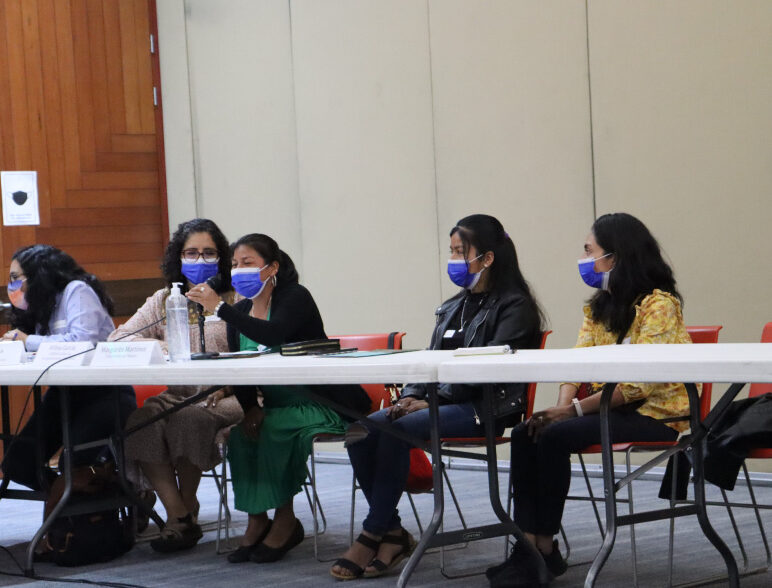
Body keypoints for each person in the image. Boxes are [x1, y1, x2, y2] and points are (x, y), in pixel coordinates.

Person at [330, 214, 544, 580]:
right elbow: (428, 361)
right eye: (451, 251)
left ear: (487, 258)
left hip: (485, 408)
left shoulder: (515, 306)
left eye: (461, 252)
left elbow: (485, 369)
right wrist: (409, 396)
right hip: (441, 403)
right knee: (362, 430)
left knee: (398, 431)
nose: (453, 260)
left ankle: (372, 534)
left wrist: (432, 401)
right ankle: (393, 532)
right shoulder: (451, 307)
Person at [487, 212, 692, 587]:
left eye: (590, 251)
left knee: (553, 436)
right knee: (527, 432)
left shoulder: (658, 305)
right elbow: (576, 364)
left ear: (617, 256)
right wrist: (559, 408)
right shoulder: (598, 307)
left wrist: (570, 412)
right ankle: (528, 546)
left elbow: (636, 387)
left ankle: (543, 547)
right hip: (606, 408)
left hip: (655, 415)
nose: (585, 260)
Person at [187, 233, 360, 564]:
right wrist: (250, 408)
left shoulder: (295, 297)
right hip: (275, 404)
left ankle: (286, 520)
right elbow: (241, 368)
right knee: (241, 435)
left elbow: (273, 335)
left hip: (318, 402)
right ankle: (256, 519)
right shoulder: (240, 310)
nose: (239, 271)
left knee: (273, 431)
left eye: (248, 263)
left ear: (272, 267)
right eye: (235, 265)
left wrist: (220, 308)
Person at [115, 218, 243, 553]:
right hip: (180, 394)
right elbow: (119, 339)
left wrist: (229, 384)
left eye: (208, 253)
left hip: (231, 395)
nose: (200, 261)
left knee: (190, 418)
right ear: (178, 258)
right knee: (141, 421)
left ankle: (185, 511)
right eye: (192, 253)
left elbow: (258, 350)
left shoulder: (236, 296)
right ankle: (178, 512)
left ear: (221, 257)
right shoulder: (163, 300)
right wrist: (161, 348)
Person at [0, 244, 136, 491]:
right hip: (64, 394)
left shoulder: (76, 291)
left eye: (16, 278)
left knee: (73, 462)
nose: (12, 286)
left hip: (104, 393)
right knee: (18, 461)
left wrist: (27, 341)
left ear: (38, 273)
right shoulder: (41, 306)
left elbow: (83, 343)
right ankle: (74, 500)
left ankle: (113, 498)